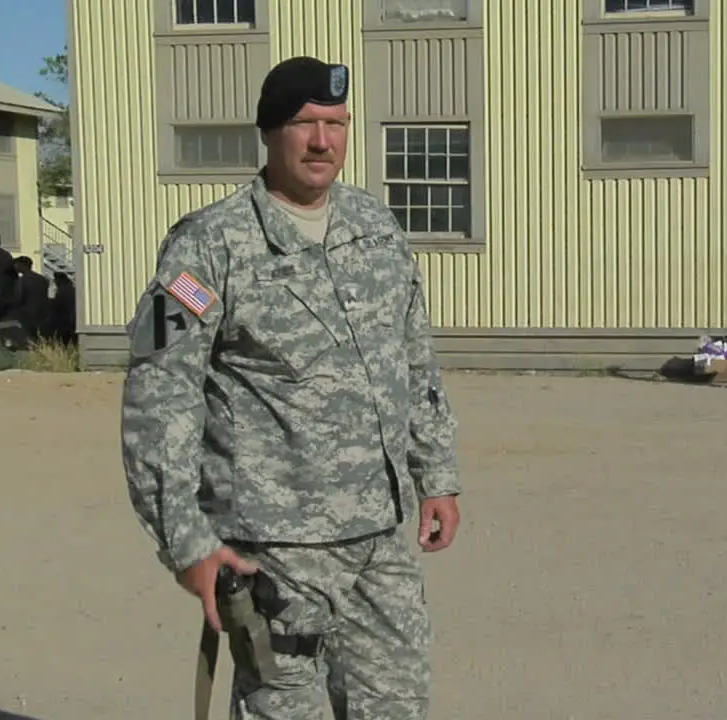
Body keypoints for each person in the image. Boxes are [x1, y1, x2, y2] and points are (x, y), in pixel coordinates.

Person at [119, 56, 462, 720]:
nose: (322, 141)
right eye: (305, 123)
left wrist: (437, 474)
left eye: (336, 123)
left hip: (382, 538)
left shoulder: (376, 228)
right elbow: (158, 399)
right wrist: (185, 540)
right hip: (276, 548)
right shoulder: (208, 246)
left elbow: (414, 360)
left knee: (397, 705)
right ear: (270, 131)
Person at [7, 256, 51, 340]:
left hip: (27, 313)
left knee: (29, 337)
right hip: (43, 312)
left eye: (17, 265)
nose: (15, 267)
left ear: (23, 265)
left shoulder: (22, 280)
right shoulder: (42, 279)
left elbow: (18, 298)